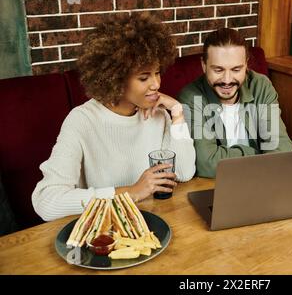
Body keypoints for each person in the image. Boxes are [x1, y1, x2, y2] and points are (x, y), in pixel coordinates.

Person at [32, 13, 196, 221]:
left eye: (157, 73)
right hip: (104, 233)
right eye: (144, 77)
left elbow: (183, 172)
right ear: (116, 78)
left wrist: (177, 112)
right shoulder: (82, 121)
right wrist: (131, 192)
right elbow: (46, 201)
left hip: (152, 225)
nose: (156, 84)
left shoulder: (158, 115)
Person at [178, 28, 292, 178]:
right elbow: (206, 163)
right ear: (204, 65)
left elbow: (282, 150)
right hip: (216, 188)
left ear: (246, 65)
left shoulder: (261, 86)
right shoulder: (190, 96)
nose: (227, 80)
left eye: (236, 69)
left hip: (262, 181)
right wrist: (260, 154)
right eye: (218, 70)